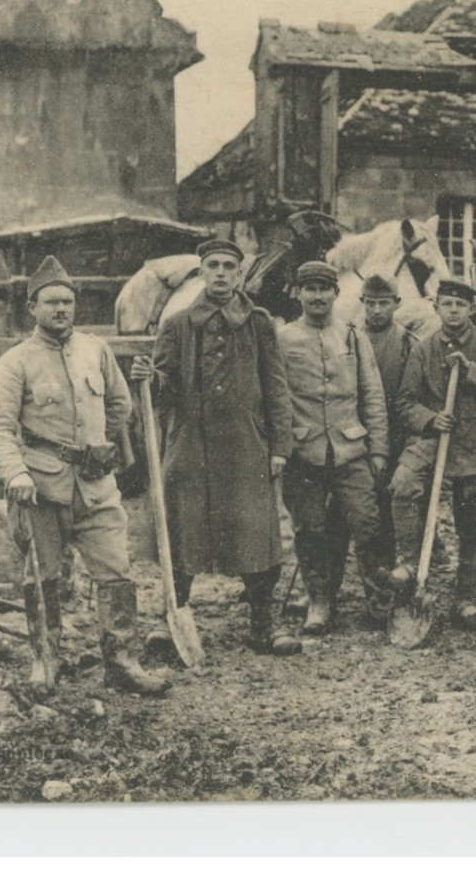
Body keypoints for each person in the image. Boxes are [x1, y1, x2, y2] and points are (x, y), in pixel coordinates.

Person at [0, 256, 169, 695]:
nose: (61, 310)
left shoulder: (95, 350)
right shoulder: (16, 362)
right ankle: (45, 663)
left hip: (96, 485)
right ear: (32, 307)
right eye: (51, 302)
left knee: (117, 573)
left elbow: (119, 406)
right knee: (43, 577)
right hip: (41, 489)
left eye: (67, 302)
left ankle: (123, 663)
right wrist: (17, 475)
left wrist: (95, 446)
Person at [130, 237, 300, 657]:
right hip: (190, 448)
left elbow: (277, 389)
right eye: (213, 266)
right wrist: (148, 377)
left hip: (246, 448)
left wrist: (279, 446)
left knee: (258, 536)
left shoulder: (259, 324)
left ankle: (263, 625)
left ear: (239, 274)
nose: (221, 273)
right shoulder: (177, 325)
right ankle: (172, 619)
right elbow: (163, 390)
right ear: (201, 273)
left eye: (229, 266)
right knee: (182, 533)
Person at [389, 278, 476, 629]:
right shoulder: (424, 349)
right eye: (447, 304)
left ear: (471, 309)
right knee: (402, 483)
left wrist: (472, 371)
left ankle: (465, 597)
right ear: (437, 308)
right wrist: (431, 419)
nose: (454, 311)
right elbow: (405, 402)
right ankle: (413, 564)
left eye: (460, 305)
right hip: (434, 437)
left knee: (472, 522)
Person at [276, 261, 392, 634]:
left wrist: (378, 451)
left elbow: (372, 395)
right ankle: (320, 601)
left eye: (324, 289)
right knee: (310, 529)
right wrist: (280, 448)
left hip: (350, 450)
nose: (317, 296)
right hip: (303, 453)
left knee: (367, 523)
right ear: (298, 293)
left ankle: (379, 601)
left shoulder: (352, 337)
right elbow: (275, 399)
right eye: (309, 289)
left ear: (336, 293)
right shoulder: (283, 339)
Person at [361, 274, 418, 577]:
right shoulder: (350, 338)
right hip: (357, 437)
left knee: (389, 508)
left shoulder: (409, 343)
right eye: (370, 303)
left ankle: (388, 575)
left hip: (396, 437)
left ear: (396, 304)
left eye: (384, 303)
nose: (377, 310)